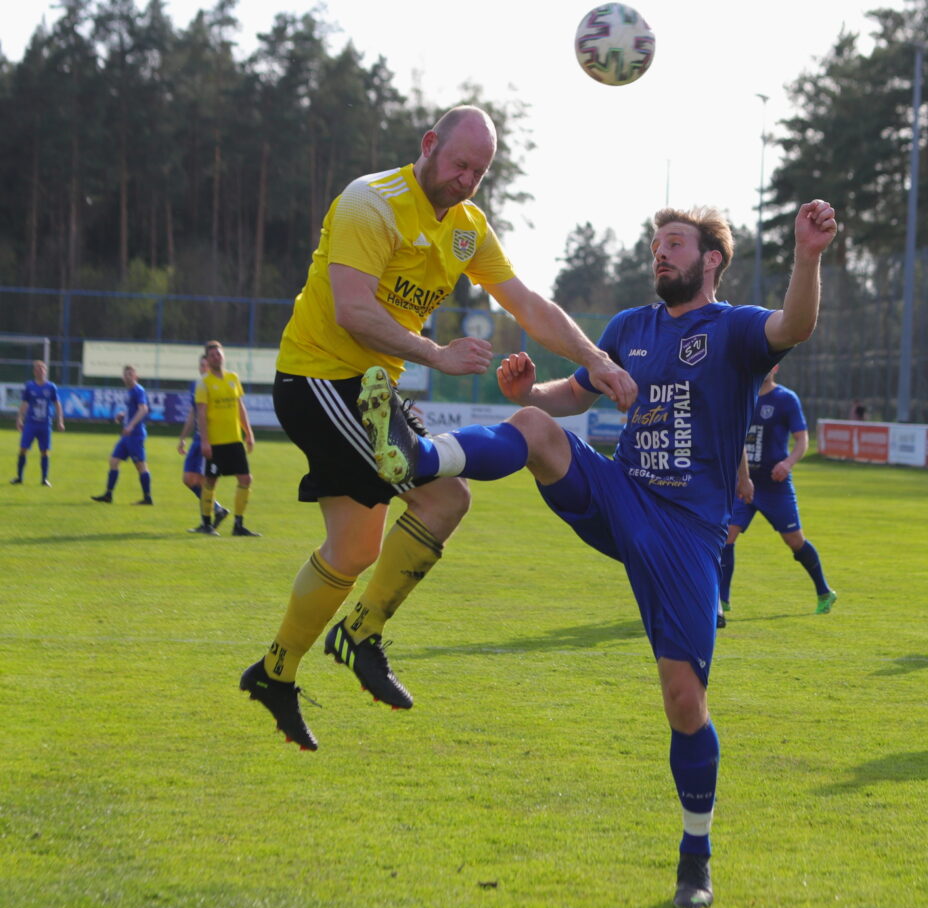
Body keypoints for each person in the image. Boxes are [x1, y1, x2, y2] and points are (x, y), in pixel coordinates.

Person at [365, 200, 838, 908]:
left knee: (684, 702)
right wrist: (534, 392)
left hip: (688, 532)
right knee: (530, 425)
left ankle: (695, 855)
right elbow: (572, 395)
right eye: (655, 245)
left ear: (711, 259)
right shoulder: (628, 329)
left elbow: (795, 326)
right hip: (623, 495)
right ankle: (421, 455)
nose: (660, 254)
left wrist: (807, 257)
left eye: (674, 244)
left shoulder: (735, 330)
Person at [239, 105, 636, 751]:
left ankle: (276, 671)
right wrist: (435, 354)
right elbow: (351, 311)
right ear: (428, 145)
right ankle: (360, 634)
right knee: (436, 487)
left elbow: (528, 303)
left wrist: (595, 358)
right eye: (459, 163)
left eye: (479, 172)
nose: (466, 180)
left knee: (360, 546)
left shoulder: (467, 227)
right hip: (320, 379)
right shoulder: (372, 203)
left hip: (370, 389)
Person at [718, 365, 835, 626]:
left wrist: (788, 463)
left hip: (776, 486)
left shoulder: (785, 399)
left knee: (794, 541)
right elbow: (735, 439)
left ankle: (824, 591)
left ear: (776, 366)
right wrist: (741, 477)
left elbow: (802, 440)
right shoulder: (742, 395)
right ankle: (722, 600)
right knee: (727, 536)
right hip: (745, 483)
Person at [190, 341, 257, 536]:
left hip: (234, 441)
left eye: (218, 354)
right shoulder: (203, 383)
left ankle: (238, 525)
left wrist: (249, 433)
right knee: (210, 482)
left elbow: (240, 407)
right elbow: (201, 414)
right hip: (215, 442)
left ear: (223, 356)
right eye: (212, 355)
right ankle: (206, 524)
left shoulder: (233, 378)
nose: (216, 358)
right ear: (208, 360)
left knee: (245, 479)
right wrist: (204, 441)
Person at [177, 355, 229, 530]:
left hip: (209, 440)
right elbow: (193, 413)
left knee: (201, 480)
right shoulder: (197, 385)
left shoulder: (217, 386)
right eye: (201, 365)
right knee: (189, 479)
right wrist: (183, 437)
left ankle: (208, 520)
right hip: (197, 439)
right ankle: (216, 510)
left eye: (206, 365)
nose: (203, 368)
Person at [91, 364, 153, 505]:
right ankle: (108, 495)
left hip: (135, 434)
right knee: (113, 461)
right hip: (127, 435)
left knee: (140, 466)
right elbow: (134, 410)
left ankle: (147, 498)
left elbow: (143, 409)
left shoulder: (138, 390)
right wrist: (123, 415)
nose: (128, 376)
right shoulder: (130, 392)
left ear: (136, 376)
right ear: (123, 378)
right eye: (126, 374)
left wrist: (131, 424)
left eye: (131, 374)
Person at [11, 360, 64, 486]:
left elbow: (57, 404)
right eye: (38, 369)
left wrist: (60, 420)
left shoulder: (51, 387)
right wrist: (19, 418)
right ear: (34, 371)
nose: (40, 371)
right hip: (31, 424)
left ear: (45, 371)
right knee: (23, 449)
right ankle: (19, 477)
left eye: (42, 369)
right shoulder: (29, 386)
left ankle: (44, 479)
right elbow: (24, 403)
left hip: (45, 424)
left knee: (45, 451)